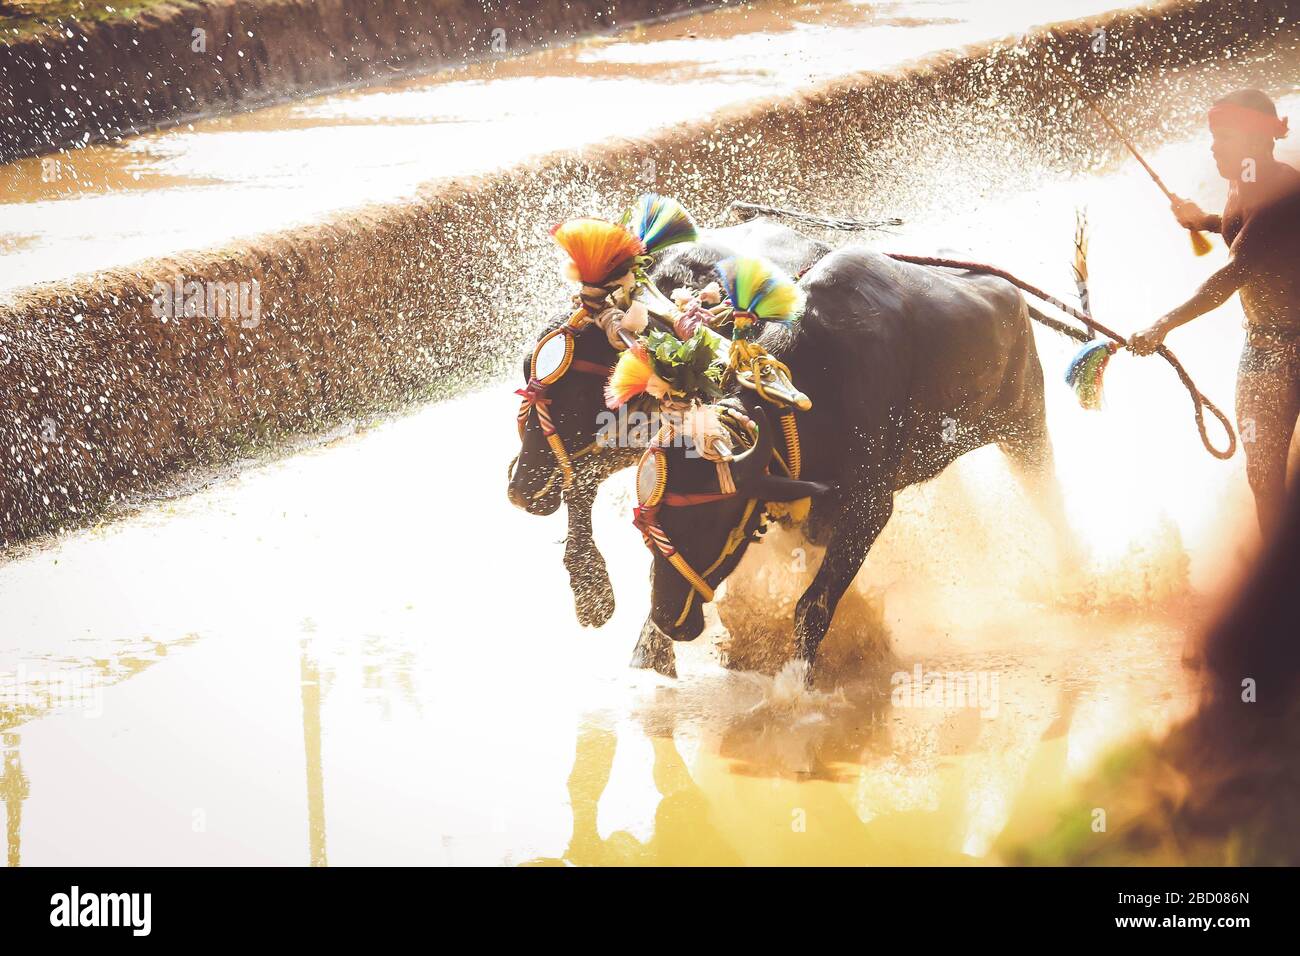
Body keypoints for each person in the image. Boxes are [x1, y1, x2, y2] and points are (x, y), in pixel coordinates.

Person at [1129, 89, 1300, 534]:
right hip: (1263, 346)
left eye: (1223, 136)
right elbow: (1240, 227)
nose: (1213, 146)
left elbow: (1231, 276)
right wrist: (1202, 220)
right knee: (1262, 476)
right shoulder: (1246, 177)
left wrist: (1162, 324)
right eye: (1212, 136)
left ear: (1256, 139)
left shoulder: (1284, 192)